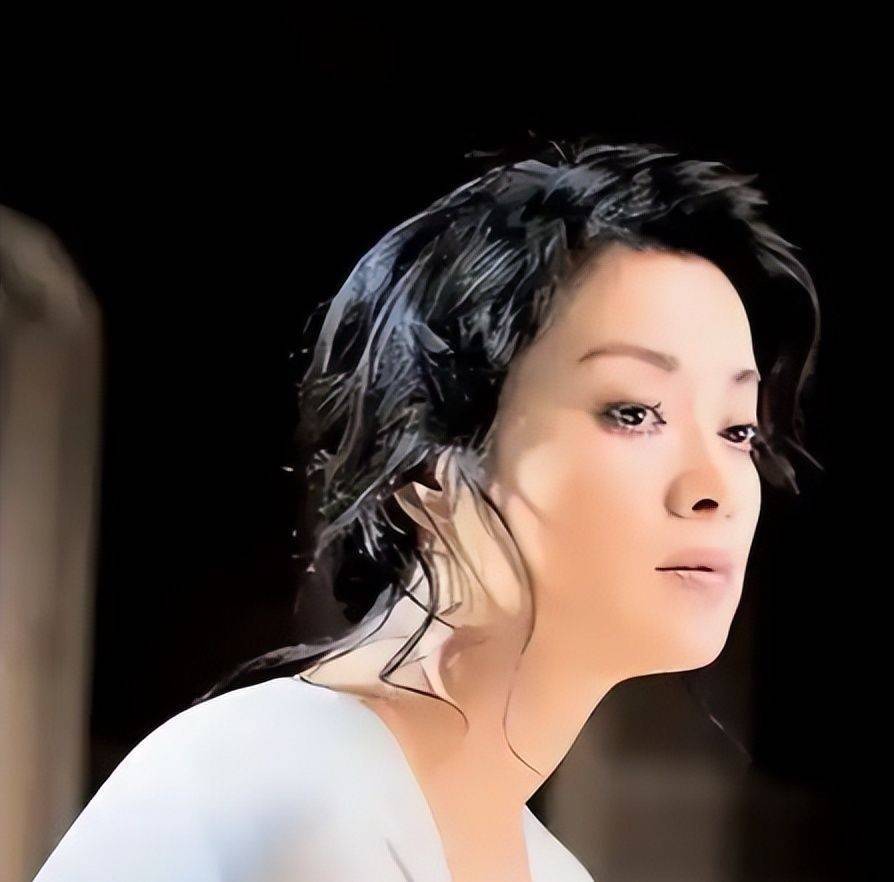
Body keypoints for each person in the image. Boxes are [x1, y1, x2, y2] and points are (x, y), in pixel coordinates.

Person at [32, 137, 822, 881]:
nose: (714, 485)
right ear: (430, 460)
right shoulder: (298, 785)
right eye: (633, 411)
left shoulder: (545, 867)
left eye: (738, 429)